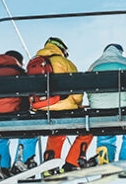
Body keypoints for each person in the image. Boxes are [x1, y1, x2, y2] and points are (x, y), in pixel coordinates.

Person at [29, 37, 89, 171]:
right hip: (64, 106)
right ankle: (73, 162)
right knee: (88, 128)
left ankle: (50, 164)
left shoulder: (33, 63)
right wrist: (78, 104)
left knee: (57, 132)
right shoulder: (64, 62)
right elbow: (77, 89)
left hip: (41, 108)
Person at [0, 50, 38, 181]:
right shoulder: (18, 72)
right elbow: (27, 94)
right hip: (12, 112)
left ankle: (0, 166)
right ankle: (23, 161)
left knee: (0, 136)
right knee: (29, 132)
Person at [86, 43, 126, 166]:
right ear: (121, 52)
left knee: (105, 132)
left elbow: (88, 90)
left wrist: (94, 103)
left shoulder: (95, 65)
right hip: (124, 105)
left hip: (100, 108)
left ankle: (105, 159)